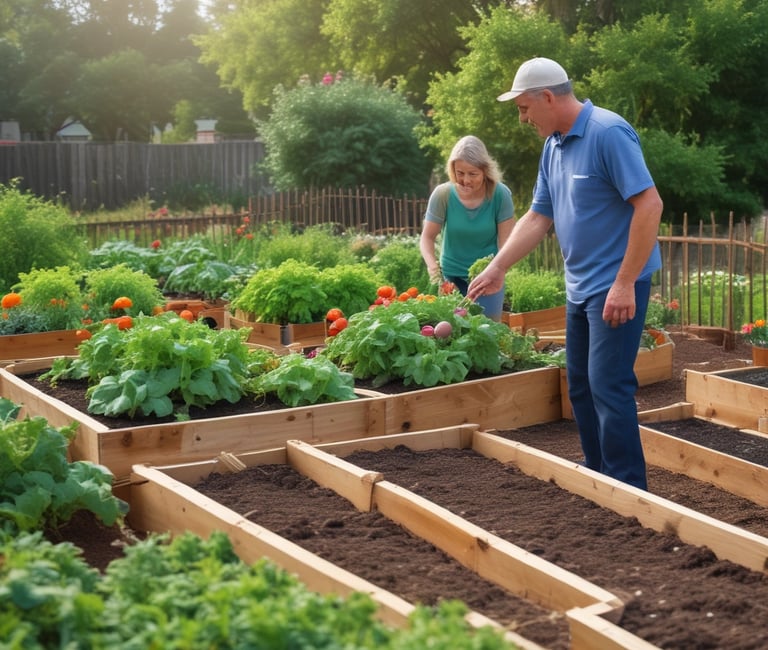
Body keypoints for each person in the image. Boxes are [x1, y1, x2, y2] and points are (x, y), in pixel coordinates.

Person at [468, 57, 663, 490]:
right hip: (580, 287)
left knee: (608, 385)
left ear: (548, 97)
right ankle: (599, 476)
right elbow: (539, 216)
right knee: (580, 385)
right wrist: (498, 266)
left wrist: (624, 283)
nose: (522, 118)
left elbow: (650, 205)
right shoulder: (553, 146)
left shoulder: (608, 133)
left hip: (616, 286)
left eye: (524, 108)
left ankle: (629, 489)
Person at [419, 135, 516, 321]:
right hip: (451, 279)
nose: (465, 180)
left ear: (485, 171)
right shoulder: (443, 195)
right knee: (452, 331)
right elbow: (427, 237)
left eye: (473, 174)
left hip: (487, 279)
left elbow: (506, 244)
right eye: (460, 173)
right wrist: (434, 270)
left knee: (488, 330)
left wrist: (498, 270)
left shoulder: (500, 195)